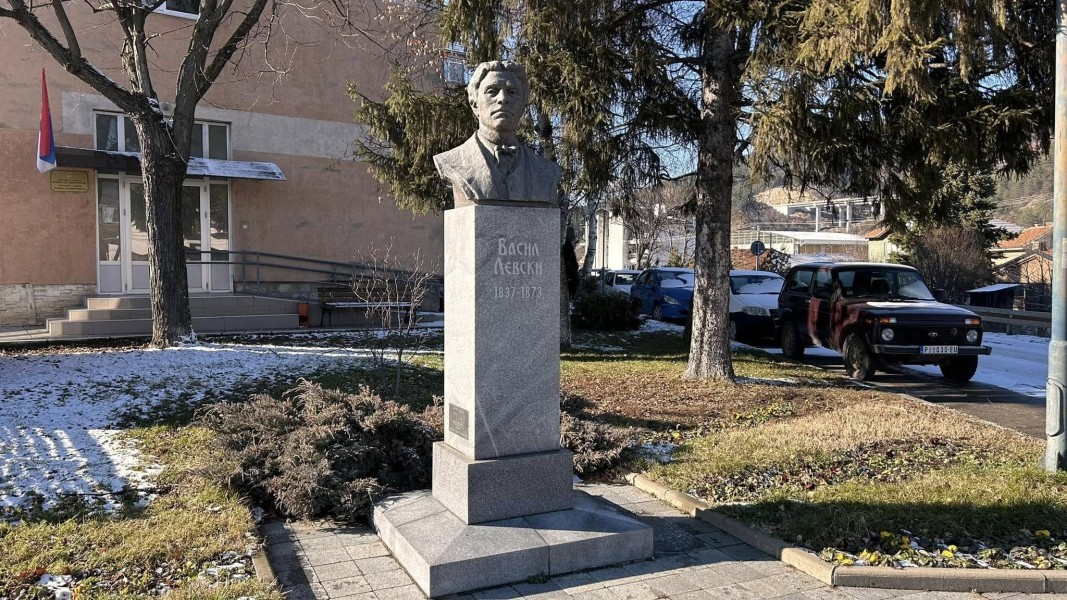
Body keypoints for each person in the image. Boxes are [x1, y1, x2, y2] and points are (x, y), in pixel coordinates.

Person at [434, 61, 562, 206]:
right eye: (492, 91)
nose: (502, 99)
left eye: (512, 92)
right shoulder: (453, 162)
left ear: (523, 104)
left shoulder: (547, 172)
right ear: (474, 103)